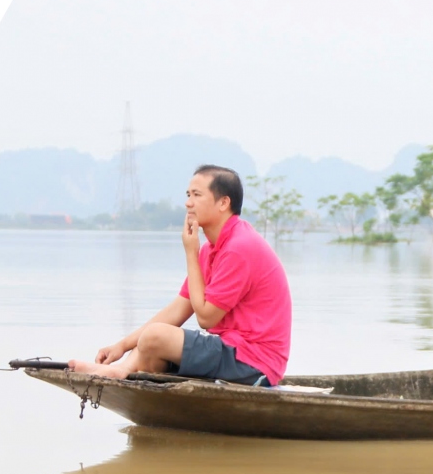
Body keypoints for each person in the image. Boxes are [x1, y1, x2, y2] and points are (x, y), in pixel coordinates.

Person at [69, 165, 292, 386]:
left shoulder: (239, 248)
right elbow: (177, 310)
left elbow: (206, 318)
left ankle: (119, 371)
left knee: (154, 337)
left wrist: (190, 253)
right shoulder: (211, 249)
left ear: (223, 203)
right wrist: (122, 345)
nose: (188, 203)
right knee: (152, 353)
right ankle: (120, 370)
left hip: (254, 362)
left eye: (197, 195)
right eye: (188, 195)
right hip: (230, 351)